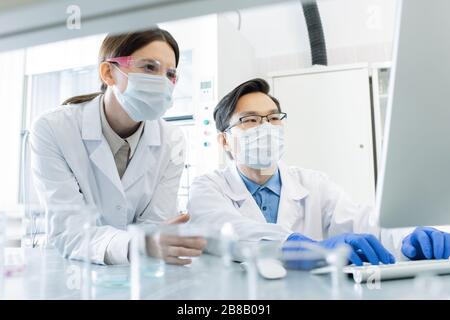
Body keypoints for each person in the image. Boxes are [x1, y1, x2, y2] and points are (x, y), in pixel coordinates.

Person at [188, 78, 450, 266]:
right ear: (224, 141)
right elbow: (227, 230)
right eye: (250, 120)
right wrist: (299, 247)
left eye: (274, 118)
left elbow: (364, 223)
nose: (266, 127)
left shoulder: (314, 184)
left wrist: (408, 236)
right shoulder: (208, 187)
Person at [30, 28, 206, 265]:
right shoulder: (53, 129)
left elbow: (155, 224)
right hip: (72, 270)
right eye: (149, 67)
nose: (163, 81)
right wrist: (139, 245)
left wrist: (149, 243)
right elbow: (71, 232)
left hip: (138, 274)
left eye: (170, 73)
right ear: (108, 72)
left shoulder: (172, 139)